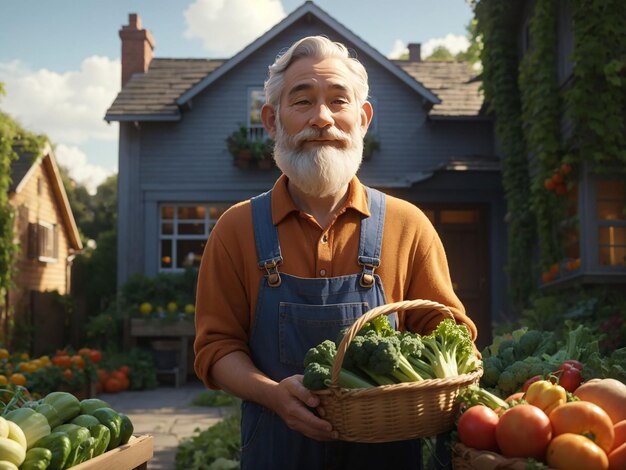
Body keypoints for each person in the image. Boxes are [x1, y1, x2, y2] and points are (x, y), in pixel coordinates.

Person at [194, 35, 478, 470]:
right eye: (302, 101)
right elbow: (215, 349)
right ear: (272, 121)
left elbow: (448, 334)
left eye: (338, 101)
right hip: (277, 450)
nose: (322, 118)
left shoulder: (409, 225)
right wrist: (272, 393)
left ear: (362, 119)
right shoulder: (235, 229)